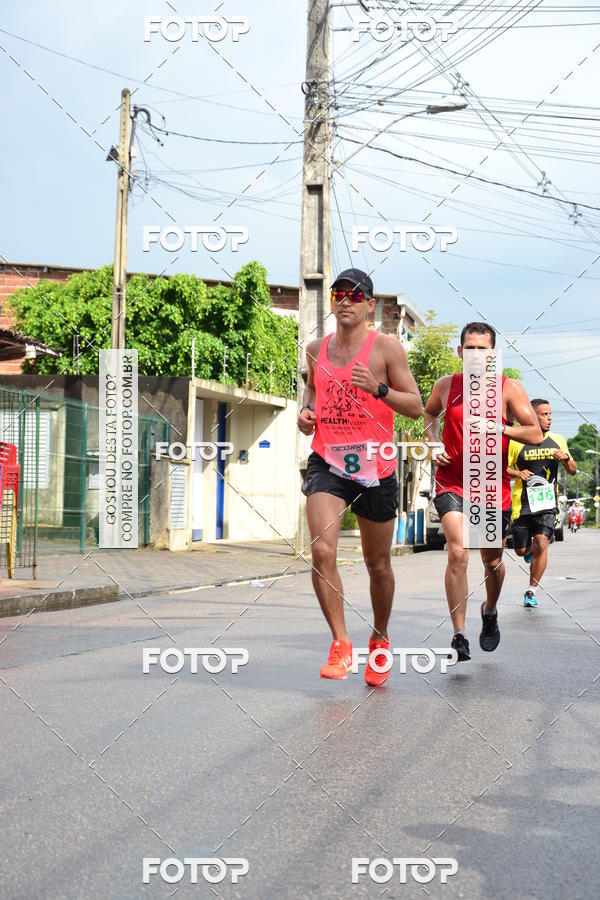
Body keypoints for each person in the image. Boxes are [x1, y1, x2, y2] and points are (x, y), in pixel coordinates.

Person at [297, 268, 422, 684]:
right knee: (322, 553)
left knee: (378, 564)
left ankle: (380, 638)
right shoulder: (316, 348)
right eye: (338, 294)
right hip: (328, 462)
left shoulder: (386, 349)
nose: (345, 301)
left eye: (355, 295)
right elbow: (311, 394)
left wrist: (378, 389)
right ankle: (340, 643)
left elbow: (416, 407)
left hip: (376, 465)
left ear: (371, 304)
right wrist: (305, 414)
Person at [424, 322, 543, 662]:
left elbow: (535, 433)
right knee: (458, 551)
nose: (476, 354)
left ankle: (489, 610)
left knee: (491, 561)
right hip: (451, 482)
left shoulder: (509, 389)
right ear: (460, 352)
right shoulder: (447, 386)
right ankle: (459, 633)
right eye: (470, 348)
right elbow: (430, 414)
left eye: (483, 349)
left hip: (490, 487)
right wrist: (432, 444)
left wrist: (500, 426)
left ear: (493, 355)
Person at [507, 399, 576, 607]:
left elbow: (572, 470)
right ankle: (527, 552)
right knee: (520, 550)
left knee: (541, 544)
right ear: (532, 416)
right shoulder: (516, 441)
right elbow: (503, 469)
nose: (550, 418)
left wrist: (565, 458)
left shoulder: (558, 439)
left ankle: (531, 590)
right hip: (522, 503)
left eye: (550, 414)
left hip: (547, 503)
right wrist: (518, 473)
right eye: (544, 414)